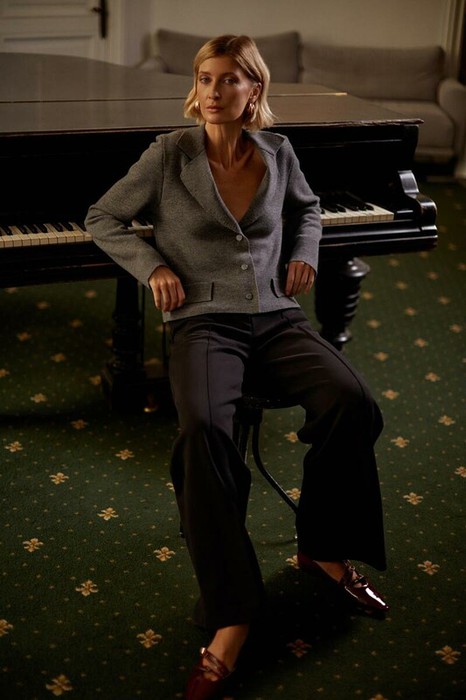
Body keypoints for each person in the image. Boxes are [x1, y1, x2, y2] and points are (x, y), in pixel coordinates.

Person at [85, 34, 389, 700]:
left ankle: (323, 547)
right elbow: (102, 217)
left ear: (255, 89)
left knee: (353, 402)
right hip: (202, 321)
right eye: (205, 78)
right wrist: (152, 267)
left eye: (229, 80)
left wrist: (304, 251)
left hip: (276, 315)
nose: (214, 92)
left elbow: (307, 210)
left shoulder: (278, 151)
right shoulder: (168, 154)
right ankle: (231, 614)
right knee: (203, 435)